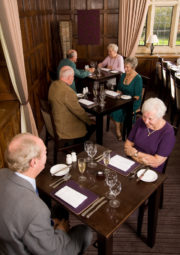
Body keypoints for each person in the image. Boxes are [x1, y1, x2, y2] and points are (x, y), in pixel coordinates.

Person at [0, 133, 93, 255]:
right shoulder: (37, 210)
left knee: (59, 209)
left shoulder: (2, 173)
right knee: (85, 232)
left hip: (8, 240)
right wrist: (61, 231)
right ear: (33, 162)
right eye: (45, 152)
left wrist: (48, 223)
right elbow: (52, 251)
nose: (47, 153)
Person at [124, 98, 176, 173]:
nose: (146, 121)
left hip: (151, 171)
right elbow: (127, 146)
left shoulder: (168, 133)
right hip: (131, 163)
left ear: (160, 117)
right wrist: (140, 160)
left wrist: (135, 153)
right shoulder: (140, 121)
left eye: (150, 119)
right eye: (144, 116)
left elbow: (155, 162)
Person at [49, 66, 96, 141]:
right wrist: (89, 121)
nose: (73, 78)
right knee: (93, 124)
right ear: (69, 77)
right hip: (64, 128)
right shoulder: (68, 92)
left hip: (56, 121)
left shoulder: (53, 85)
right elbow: (79, 112)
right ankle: (80, 145)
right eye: (73, 77)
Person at [110, 57, 143, 140]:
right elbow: (119, 89)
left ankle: (120, 127)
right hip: (122, 100)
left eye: (127, 67)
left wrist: (125, 101)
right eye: (124, 66)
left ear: (133, 67)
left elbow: (137, 96)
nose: (125, 69)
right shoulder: (124, 75)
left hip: (133, 102)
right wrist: (116, 95)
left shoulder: (138, 79)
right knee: (113, 108)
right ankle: (118, 129)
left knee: (118, 110)